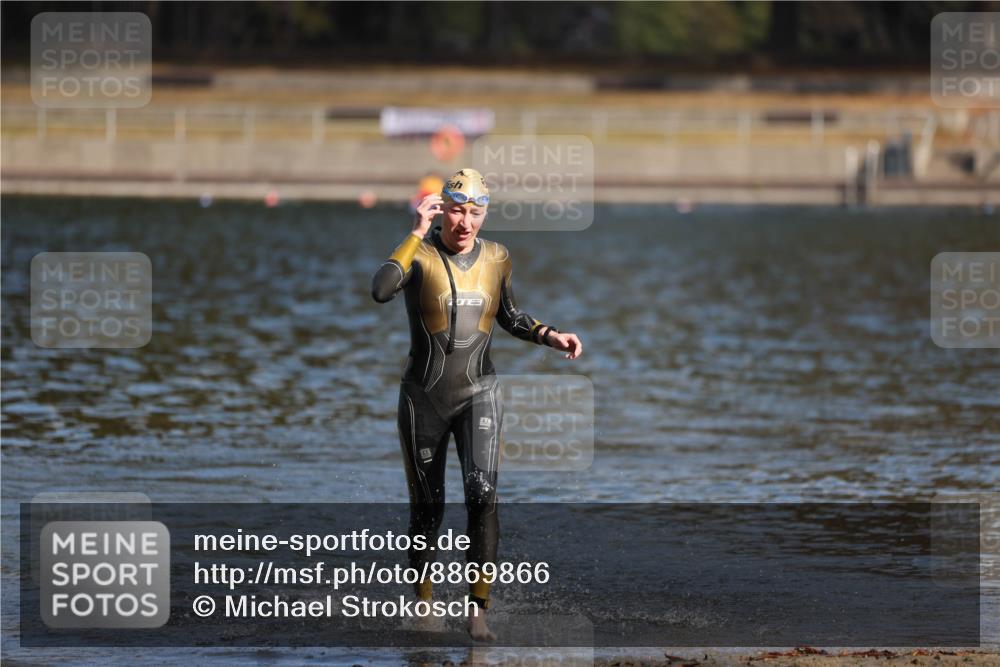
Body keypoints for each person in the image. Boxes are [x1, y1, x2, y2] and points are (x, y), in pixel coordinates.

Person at [371, 168, 583, 640]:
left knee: (483, 496)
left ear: (484, 214)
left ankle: (477, 611)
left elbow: (508, 315)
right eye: (457, 210)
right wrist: (414, 232)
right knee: (428, 507)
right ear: (441, 209)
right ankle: (423, 604)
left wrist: (551, 335)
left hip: (479, 393)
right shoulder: (420, 255)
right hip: (422, 399)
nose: (466, 222)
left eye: (475, 213)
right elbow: (381, 289)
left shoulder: (498, 257)